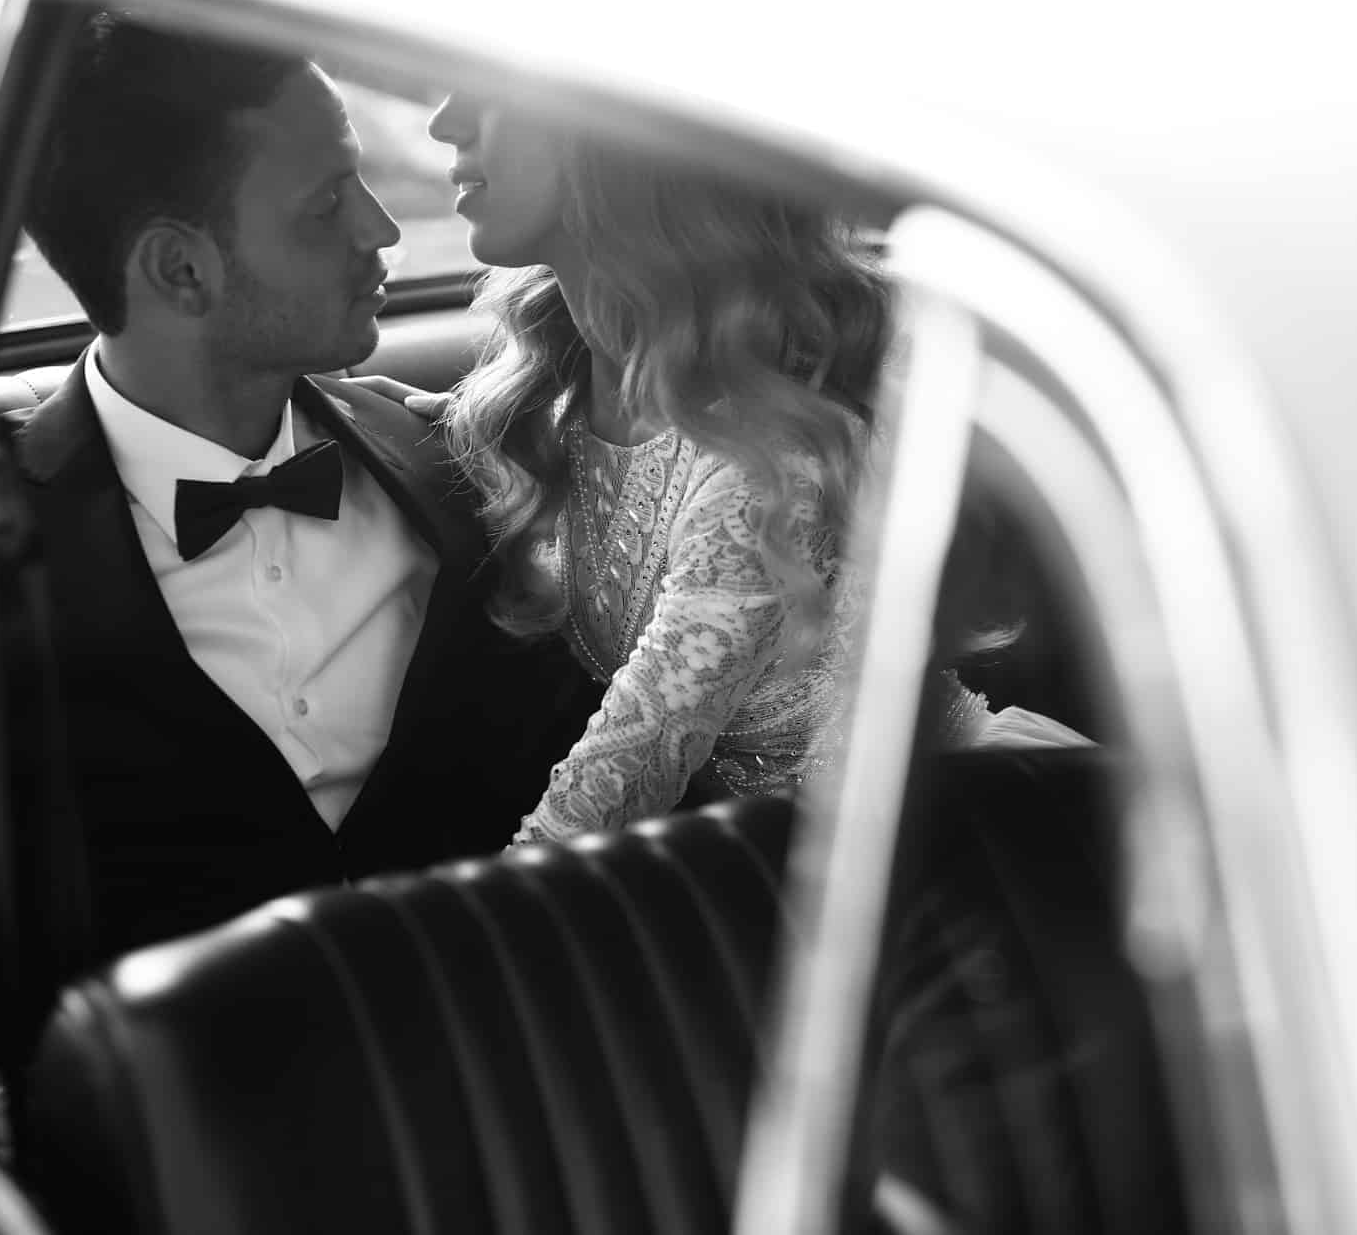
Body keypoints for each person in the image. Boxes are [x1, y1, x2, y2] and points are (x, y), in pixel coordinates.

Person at [0, 17, 601, 1101]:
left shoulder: (459, 464)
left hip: (522, 1091)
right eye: (326, 203)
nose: (381, 231)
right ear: (181, 269)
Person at [374, 92, 1080, 846]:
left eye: (487, 91)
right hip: (766, 850)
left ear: (613, 141)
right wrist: (415, 423)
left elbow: (614, 783)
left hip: (938, 840)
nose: (444, 123)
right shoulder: (568, 389)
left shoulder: (759, 467)